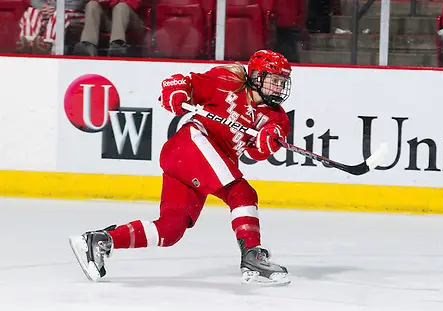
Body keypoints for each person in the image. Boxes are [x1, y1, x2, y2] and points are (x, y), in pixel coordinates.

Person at [69, 50, 293, 286]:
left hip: (198, 166)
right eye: (274, 80)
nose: (278, 88)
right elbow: (183, 84)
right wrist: (176, 92)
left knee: (170, 230)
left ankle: (99, 241)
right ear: (257, 76)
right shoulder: (228, 81)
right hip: (191, 146)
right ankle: (252, 256)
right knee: (242, 193)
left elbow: (257, 150)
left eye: (282, 83)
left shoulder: (277, 118)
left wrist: (268, 140)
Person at [72, 0, 144, 57]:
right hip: (108, 18)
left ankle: (118, 44)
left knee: (121, 6)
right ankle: (87, 45)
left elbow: (134, 3)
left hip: (131, 19)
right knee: (92, 4)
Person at [17, 0, 85, 54]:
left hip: (70, 11)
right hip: (46, 10)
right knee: (31, 11)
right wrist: (44, 8)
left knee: (58, 14)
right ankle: (28, 43)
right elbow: (35, 1)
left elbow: (77, 4)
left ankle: (47, 45)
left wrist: (55, 7)